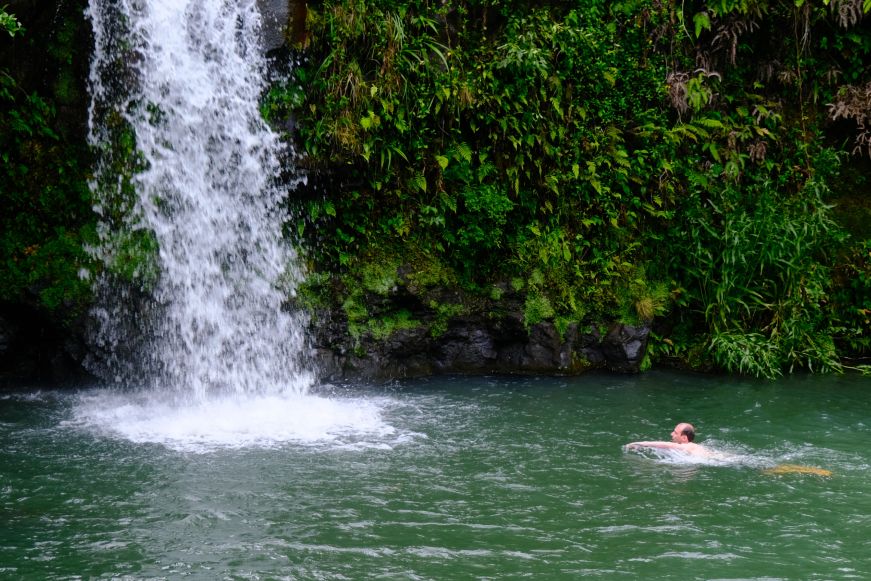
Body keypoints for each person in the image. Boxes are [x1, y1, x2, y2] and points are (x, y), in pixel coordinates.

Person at [626, 422, 711, 457]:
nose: (671, 434)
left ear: (684, 438)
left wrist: (640, 443)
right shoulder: (695, 447)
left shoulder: (687, 446)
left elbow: (666, 445)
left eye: (675, 432)